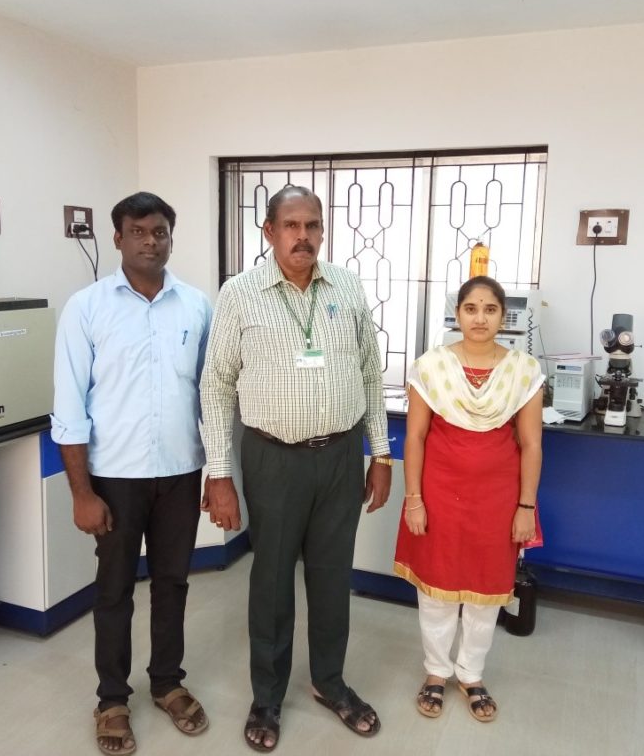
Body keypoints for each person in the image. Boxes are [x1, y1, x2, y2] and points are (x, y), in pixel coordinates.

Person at [200, 185, 392, 752]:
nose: (302, 236)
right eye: (290, 225)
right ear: (269, 232)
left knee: (333, 578)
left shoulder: (348, 287)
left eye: (312, 225)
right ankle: (267, 695)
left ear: (323, 231)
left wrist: (379, 455)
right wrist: (219, 472)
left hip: (339, 455)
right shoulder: (239, 295)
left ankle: (329, 682)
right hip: (273, 459)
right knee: (272, 581)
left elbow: (368, 374)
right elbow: (216, 386)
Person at [52, 191, 212, 756]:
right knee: (114, 590)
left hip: (179, 472)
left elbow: (210, 398)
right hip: (113, 477)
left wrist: (217, 473)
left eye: (160, 231)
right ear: (117, 238)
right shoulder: (86, 308)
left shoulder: (196, 306)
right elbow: (68, 410)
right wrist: (81, 493)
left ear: (172, 236)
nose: (151, 241)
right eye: (138, 231)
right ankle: (112, 698)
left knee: (172, 584)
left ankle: (167, 683)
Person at [393, 275, 544, 723]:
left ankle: (471, 674)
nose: (480, 318)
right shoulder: (431, 367)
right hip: (439, 493)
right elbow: (415, 437)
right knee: (436, 591)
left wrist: (526, 508)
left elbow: (532, 445)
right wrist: (414, 499)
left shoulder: (524, 371)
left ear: (503, 316)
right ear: (457, 314)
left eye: (490, 309)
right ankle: (436, 672)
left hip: (498, 498)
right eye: (471, 308)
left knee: (486, 591)